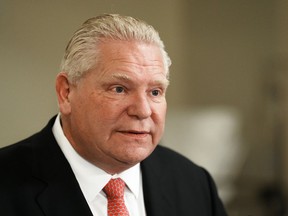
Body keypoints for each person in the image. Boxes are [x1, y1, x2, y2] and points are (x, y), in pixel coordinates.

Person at [0, 14, 227, 216]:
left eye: (155, 92)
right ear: (66, 92)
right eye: (119, 89)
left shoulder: (194, 184)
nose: (143, 110)